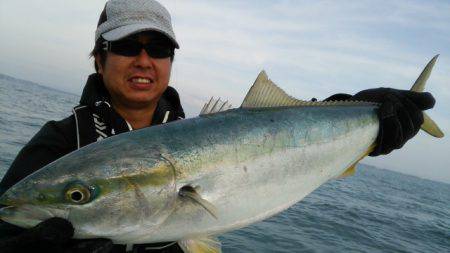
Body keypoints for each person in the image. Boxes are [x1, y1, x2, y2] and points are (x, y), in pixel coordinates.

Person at [0, 0, 435, 252]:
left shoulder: (205, 132)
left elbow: (287, 140)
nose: (144, 60)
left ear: (171, 61)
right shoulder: (60, 143)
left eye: (160, 49)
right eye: (127, 46)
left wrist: (364, 116)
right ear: (99, 57)